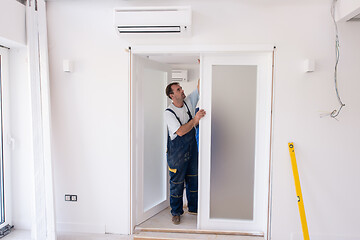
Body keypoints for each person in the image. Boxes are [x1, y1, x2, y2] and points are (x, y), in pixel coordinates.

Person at [164, 81, 206, 225]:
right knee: (177, 183)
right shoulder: (168, 113)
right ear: (172, 95)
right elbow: (181, 132)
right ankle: (176, 212)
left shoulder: (188, 102)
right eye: (178, 89)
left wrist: (204, 61)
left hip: (191, 150)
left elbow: (199, 88)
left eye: (181, 88)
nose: (182, 91)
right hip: (176, 155)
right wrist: (195, 120)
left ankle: (194, 208)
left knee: (193, 180)